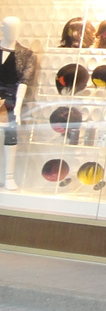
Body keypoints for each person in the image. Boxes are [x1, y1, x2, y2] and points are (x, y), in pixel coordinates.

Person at [1, 16, 38, 191]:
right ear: (2, 28)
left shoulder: (27, 54)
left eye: (16, 28)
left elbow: (24, 82)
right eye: (9, 28)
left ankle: (9, 176)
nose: (13, 32)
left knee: (10, 133)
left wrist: (17, 106)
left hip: (10, 97)